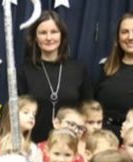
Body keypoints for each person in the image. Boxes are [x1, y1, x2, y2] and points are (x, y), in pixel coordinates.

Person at [19, 10, 93, 143]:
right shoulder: (24, 70)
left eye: (54, 32)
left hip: (70, 145)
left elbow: (88, 111)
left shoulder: (78, 69)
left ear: (62, 35)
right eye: (43, 33)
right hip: (32, 144)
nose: (49, 38)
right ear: (35, 37)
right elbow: (17, 112)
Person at [0, 95, 43, 162]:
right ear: (11, 114)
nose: (31, 117)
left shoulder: (33, 148)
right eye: (26, 112)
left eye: (34, 114)